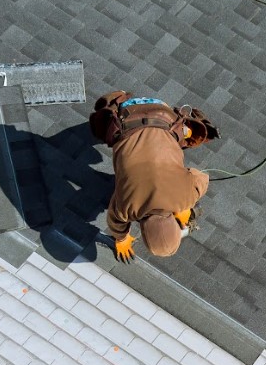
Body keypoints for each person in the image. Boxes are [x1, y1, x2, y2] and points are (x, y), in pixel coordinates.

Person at [89, 92, 219, 261]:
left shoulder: (187, 197)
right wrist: (121, 239)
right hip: (125, 115)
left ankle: (123, 100)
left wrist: (185, 204)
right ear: (143, 231)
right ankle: (117, 98)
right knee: (107, 131)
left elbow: (201, 177)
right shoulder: (127, 208)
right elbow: (114, 221)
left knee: (190, 135)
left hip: (163, 112)